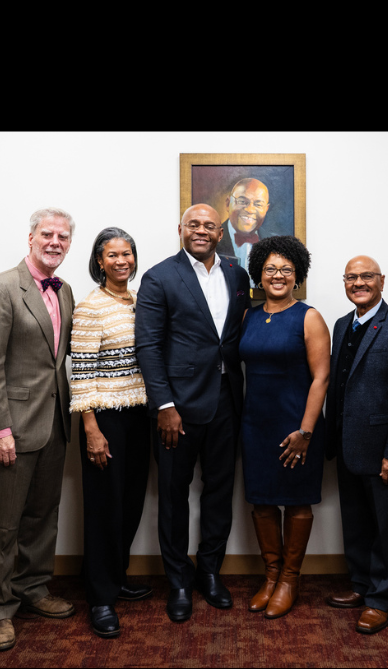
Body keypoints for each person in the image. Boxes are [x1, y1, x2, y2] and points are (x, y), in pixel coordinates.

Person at [135, 204, 251, 622]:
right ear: (180, 229)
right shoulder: (159, 276)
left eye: (210, 226)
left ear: (220, 233)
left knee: (220, 491)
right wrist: (164, 405)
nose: (202, 231)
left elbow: (234, 335)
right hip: (177, 408)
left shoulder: (238, 275)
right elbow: (147, 346)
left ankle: (210, 572)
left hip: (226, 400)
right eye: (194, 224)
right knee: (173, 495)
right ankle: (179, 581)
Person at [0, 207, 76, 652]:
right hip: (11, 427)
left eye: (64, 236)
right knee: (2, 525)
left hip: (54, 424)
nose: (55, 242)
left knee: (42, 516)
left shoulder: (66, 290)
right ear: (30, 237)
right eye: (48, 234)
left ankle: (33, 588)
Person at [324, 256, 388, 634]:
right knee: (357, 524)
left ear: (381, 281)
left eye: (367, 276)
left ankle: (382, 599)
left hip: (385, 451)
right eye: (352, 277)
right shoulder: (341, 325)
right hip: (349, 447)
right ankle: (362, 586)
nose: (359, 283)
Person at [240, 236, 330, 618]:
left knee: (296, 502)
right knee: (261, 502)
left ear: (298, 276)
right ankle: (271, 575)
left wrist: (305, 432)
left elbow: (321, 378)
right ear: (259, 274)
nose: (278, 275)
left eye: (286, 270)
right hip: (255, 424)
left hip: (297, 425)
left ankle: (290, 579)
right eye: (270, 269)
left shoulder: (309, 316)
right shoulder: (248, 315)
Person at [69, 227, 151, 639]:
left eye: (128, 254)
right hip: (105, 419)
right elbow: (80, 374)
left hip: (140, 417)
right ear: (99, 262)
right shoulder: (90, 308)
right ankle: (100, 597)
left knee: (131, 503)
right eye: (113, 255)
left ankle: (117, 577)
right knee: (105, 508)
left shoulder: (142, 302)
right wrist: (91, 429)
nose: (122, 261)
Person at [218, 178, 274, 267]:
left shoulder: (275, 244)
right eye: (242, 201)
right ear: (228, 204)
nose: (250, 210)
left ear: (266, 209)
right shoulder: (210, 241)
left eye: (258, 204)